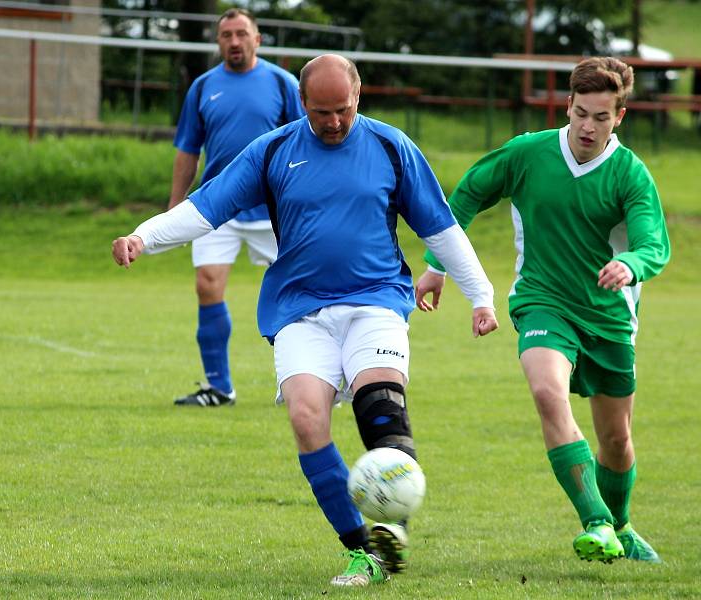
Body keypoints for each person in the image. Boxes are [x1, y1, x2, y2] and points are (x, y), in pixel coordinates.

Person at [113, 54, 498, 586]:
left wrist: (480, 295)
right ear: (302, 104)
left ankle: (394, 528)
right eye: (321, 113)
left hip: (376, 301)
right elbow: (207, 206)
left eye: (342, 110)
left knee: (380, 403)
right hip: (300, 309)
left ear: (358, 97)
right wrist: (143, 236)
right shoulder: (274, 151)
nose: (334, 122)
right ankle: (364, 550)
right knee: (306, 419)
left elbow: (440, 227)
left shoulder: (390, 146)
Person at [416, 56, 669, 564]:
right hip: (542, 301)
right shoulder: (529, 153)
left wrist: (632, 264)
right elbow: (466, 195)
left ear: (619, 116)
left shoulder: (630, 175)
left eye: (601, 117)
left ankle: (620, 523)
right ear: (567, 106)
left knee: (616, 439)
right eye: (580, 113)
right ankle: (596, 523)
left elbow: (652, 243)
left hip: (608, 316)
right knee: (547, 391)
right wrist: (436, 265)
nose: (587, 127)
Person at [169, 8, 304, 407]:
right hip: (218, 208)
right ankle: (218, 388)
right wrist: (174, 208)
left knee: (302, 293)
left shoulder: (284, 85)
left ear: (257, 39)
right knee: (207, 285)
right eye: (226, 34)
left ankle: (318, 382)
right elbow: (187, 151)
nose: (234, 41)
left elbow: (308, 143)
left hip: (275, 211)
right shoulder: (202, 87)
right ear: (218, 41)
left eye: (241, 33)